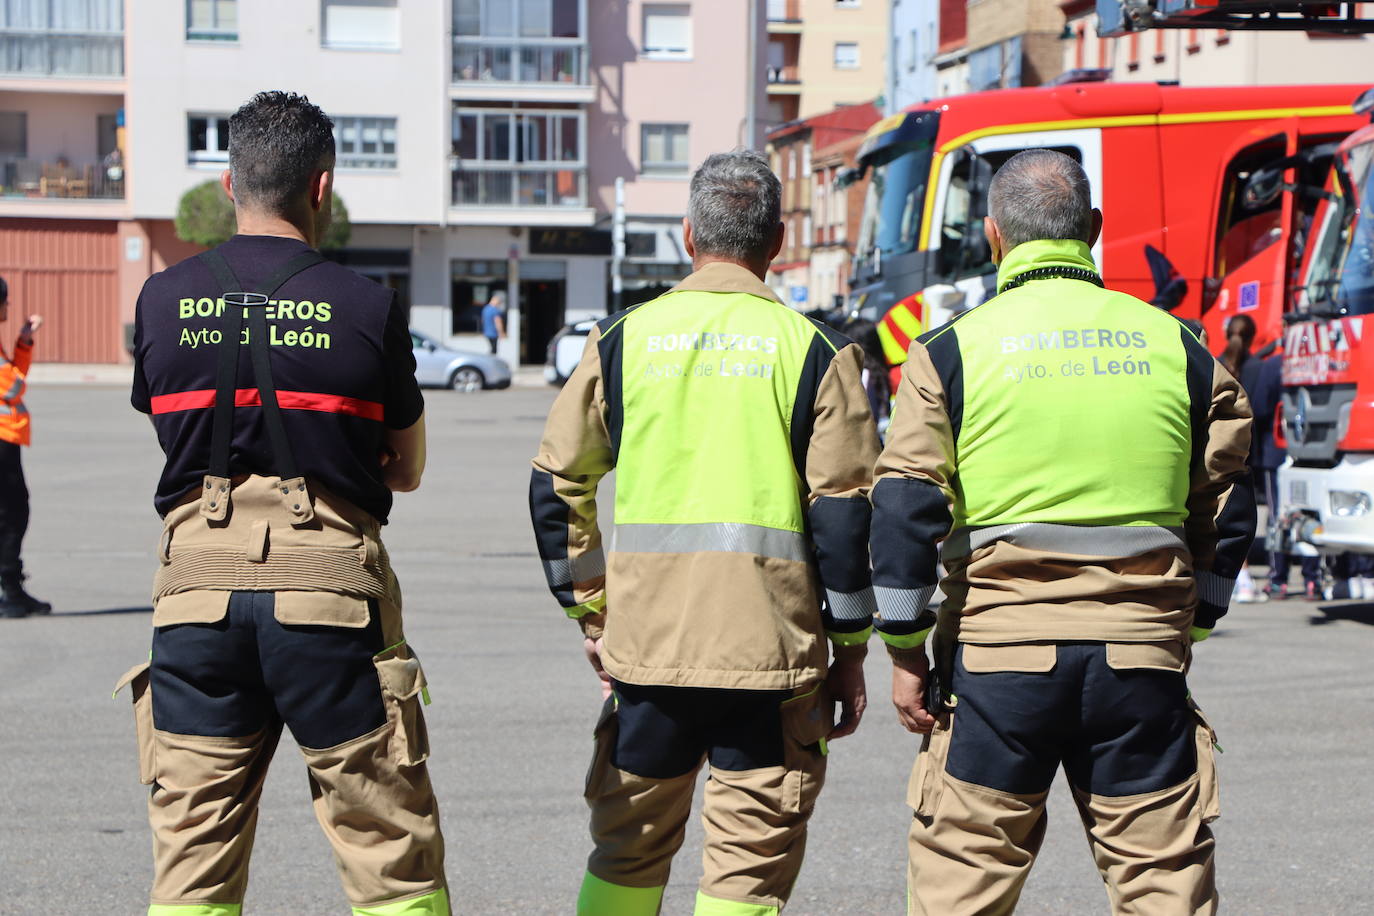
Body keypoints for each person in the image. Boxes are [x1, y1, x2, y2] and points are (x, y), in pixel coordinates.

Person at [871, 149, 1255, 914]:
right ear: (1096, 230)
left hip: (998, 666)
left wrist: (907, 650)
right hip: (1141, 662)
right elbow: (1228, 506)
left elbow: (905, 510)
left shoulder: (948, 353)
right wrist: (1194, 625)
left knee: (963, 886)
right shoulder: (1179, 347)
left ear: (992, 236)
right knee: (1163, 887)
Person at [116, 91, 449, 915]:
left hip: (193, 599)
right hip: (330, 601)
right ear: (322, 185)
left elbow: (168, 429)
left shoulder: (162, 300)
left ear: (230, 184)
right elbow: (404, 468)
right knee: (386, 847)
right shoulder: (367, 306)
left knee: (192, 855)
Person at [530, 150, 880, 915]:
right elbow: (846, 519)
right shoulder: (817, 352)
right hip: (771, 659)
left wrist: (592, 612)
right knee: (744, 871)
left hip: (649, 652)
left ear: (688, 234)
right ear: (778, 240)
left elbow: (558, 486)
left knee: (627, 852)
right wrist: (849, 652)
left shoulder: (623, 339)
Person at [0, 276, 50, 619]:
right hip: (2, 438)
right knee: (13, 512)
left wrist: (24, 341)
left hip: (8, 436)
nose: (7, 306)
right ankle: (10, 590)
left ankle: (12, 586)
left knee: (13, 511)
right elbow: (12, 385)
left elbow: (14, 374)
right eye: (5, 301)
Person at [481, 289, 506, 354]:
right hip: (493, 333)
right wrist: (501, 332)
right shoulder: (495, 310)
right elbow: (498, 322)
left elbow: (482, 321)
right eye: (498, 303)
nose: (498, 305)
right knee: (494, 350)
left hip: (487, 332)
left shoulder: (485, 308)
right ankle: (490, 362)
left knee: (492, 349)